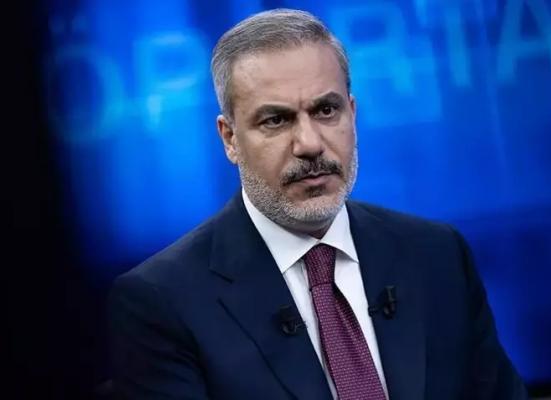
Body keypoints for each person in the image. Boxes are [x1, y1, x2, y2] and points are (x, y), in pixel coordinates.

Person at [108, 8, 528, 400]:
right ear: (230, 138)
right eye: (276, 120)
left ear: (352, 114)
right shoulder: (161, 302)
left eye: (326, 110)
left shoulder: (437, 255)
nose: (309, 144)